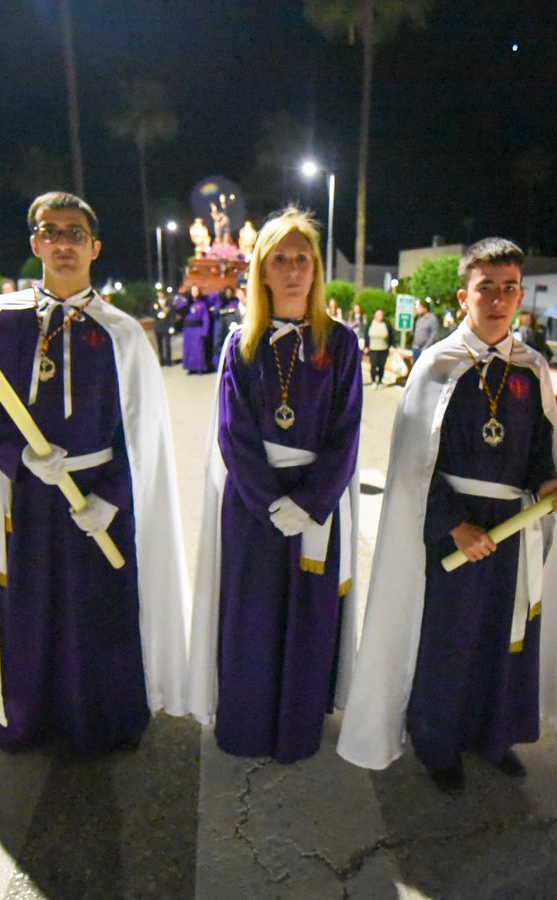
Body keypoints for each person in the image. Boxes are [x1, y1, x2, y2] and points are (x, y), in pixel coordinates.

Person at [0, 190, 191, 752]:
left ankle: (102, 724)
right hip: (25, 501)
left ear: (94, 247)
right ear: (36, 245)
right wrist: (19, 455)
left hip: (97, 501)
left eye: (75, 233)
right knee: (29, 611)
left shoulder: (122, 332)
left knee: (99, 612)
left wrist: (112, 497)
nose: (63, 243)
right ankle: (27, 721)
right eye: (50, 232)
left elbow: (140, 437)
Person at [338, 237, 557, 794]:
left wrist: (548, 484)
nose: (497, 300)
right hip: (453, 532)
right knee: (448, 642)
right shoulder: (438, 364)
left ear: (520, 295)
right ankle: (438, 744)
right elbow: (412, 465)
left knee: (502, 639)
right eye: (485, 288)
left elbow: (540, 452)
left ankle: (494, 737)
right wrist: (453, 526)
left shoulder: (531, 369)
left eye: (508, 288)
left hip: (513, 529)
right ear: (462, 296)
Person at [187, 208, 363, 762]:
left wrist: (309, 503)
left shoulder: (341, 343)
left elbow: (347, 433)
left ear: (316, 270)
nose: (292, 270)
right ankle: (245, 728)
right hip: (252, 507)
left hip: (317, 506)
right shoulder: (241, 344)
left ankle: (297, 732)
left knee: (310, 619)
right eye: (280, 259)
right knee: (252, 618)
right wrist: (269, 503)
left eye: (302, 259)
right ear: (261, 270)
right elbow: (233, 433)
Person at [179, 285, 213, 374]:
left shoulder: (202, 304)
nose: (194, 292)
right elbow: (177, 308)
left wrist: (204, 331)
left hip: (197, 329)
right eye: (193, 290)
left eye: (196, 290)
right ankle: (190, 368)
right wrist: (185, 301)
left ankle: (199, 368)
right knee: (188, 350)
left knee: (198, 349)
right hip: (187, 329)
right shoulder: (186, 304)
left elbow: (205, 318)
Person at [366, 308, 391, 388]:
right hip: (373, 349)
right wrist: (366, 346)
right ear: (375, 316)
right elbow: (366, 336)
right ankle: (373, 381)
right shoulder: (370, 324)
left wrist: (392, 346)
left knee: (381, 366)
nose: (380, 316)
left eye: (381, 315)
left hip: (384, 349)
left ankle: (380, 381)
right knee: (373, 365)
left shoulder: (386, 324)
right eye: (378, 315)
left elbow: (391, 336)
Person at [152, 288, 177, 365]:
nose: (160, 294)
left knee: (167, 344)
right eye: (158, 293)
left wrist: (172, 325)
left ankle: (168, 360)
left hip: (167, 326)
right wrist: (157, 314)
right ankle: (161, 360)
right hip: (158, 326)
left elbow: (172, 314)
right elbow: (151, 312)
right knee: (159, 345)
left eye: (161, 293)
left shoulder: (169, 302)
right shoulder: (155, 302)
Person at [411, 300, 438, 366]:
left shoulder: (431, 319)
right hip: (416, 348)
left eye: (419, 307)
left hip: (425, 349)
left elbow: (434, 334)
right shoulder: (418, 318)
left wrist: (425, 347)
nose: (418, 309)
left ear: (425, 308)